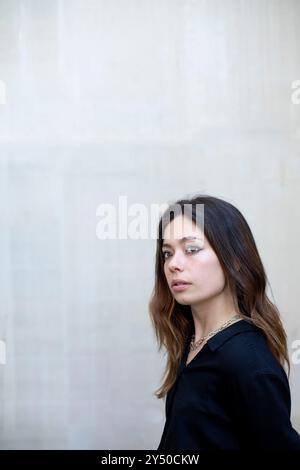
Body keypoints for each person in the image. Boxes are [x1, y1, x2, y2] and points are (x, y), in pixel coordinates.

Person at [149, 194, 300, 450]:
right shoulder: (193, 341)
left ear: (236, 260)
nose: (173, 264)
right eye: (167, 253)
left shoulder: (248, 361)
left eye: (191, 249)